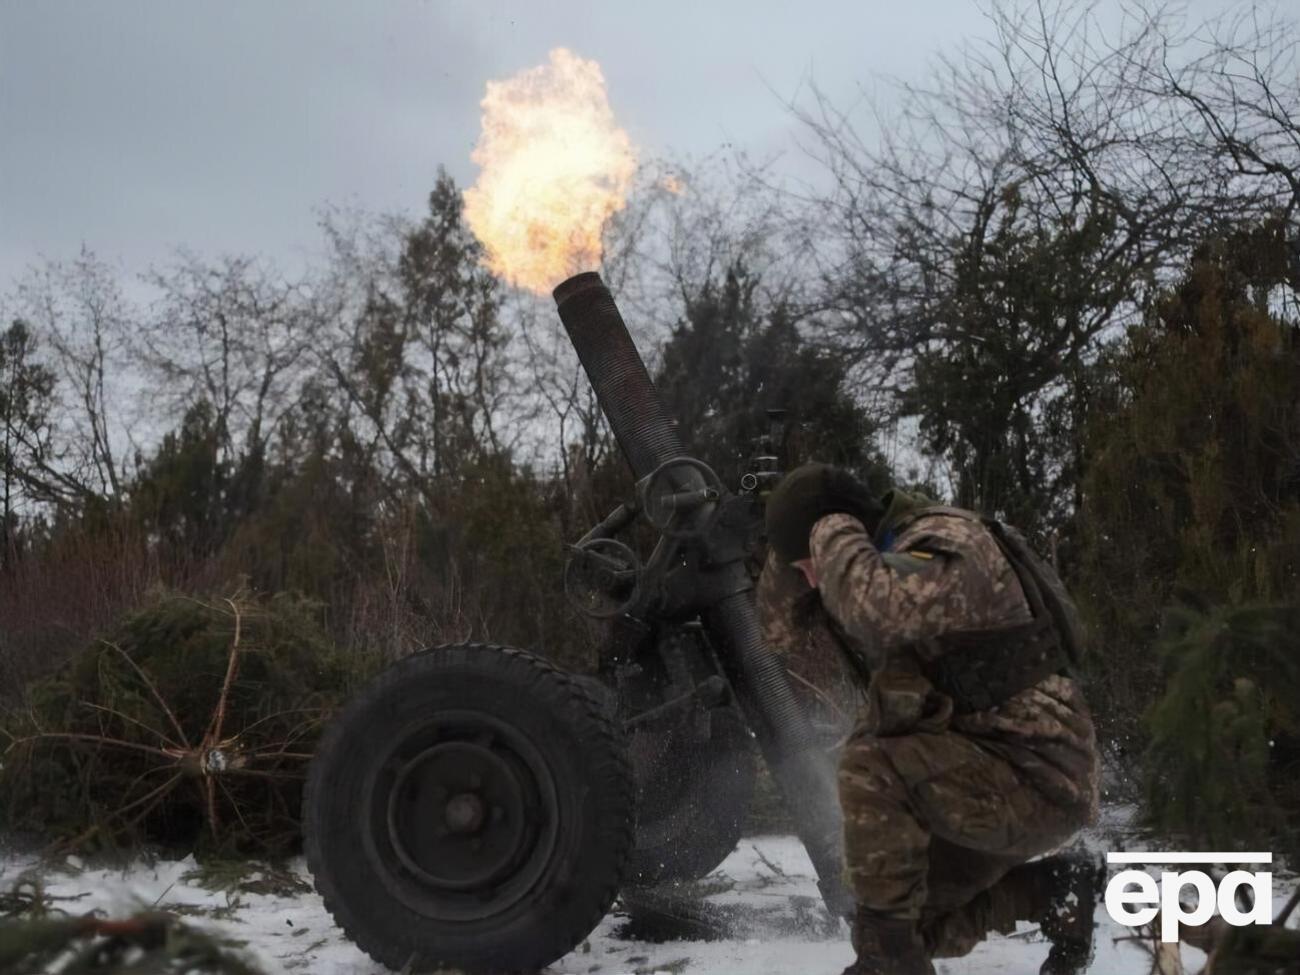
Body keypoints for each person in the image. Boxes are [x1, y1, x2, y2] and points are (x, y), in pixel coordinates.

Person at [758, 463, 1102, 975]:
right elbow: (776, 633)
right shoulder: (881, 558)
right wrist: (787, 547)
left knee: (871, 765)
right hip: (979, 775)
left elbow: (877, 610)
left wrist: (826, 529)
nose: (813, 579)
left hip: (1038, 777)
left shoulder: (950, 542)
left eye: (812, 564)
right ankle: (1053, 892)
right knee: (899, 917)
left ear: (844, 530)